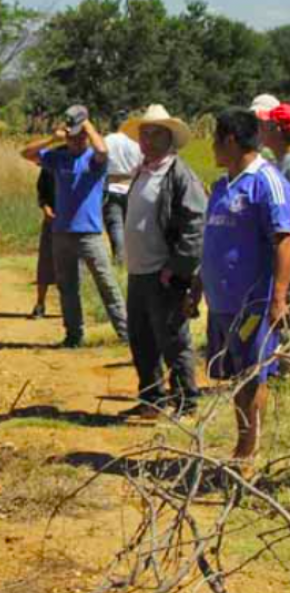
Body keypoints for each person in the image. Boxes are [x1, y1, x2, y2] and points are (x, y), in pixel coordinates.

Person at [188, 108, 290, 462]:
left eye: (215, 139)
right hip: (221, 302)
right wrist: (198, 287)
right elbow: (213, 241)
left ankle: (247, 451)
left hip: (253, 303)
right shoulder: (221, 185)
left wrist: (278, 298)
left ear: (230, 140)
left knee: (252, 375)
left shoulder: (267, 181)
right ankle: (242, 443)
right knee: (235, 377)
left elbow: (283, 241)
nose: (212, 147)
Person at [116, 105, 206, 419]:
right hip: (139, 271)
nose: (148, 140)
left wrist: (177, 268)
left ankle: (186, 403)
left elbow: (195, 225)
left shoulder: (179, 174)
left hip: (164, 274)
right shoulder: (142, 169)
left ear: (170, 138)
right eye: (145, 134)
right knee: (141, 338)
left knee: (173, 340)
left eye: (156, 134)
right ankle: (152, 400)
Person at [23, 105, 128, 348]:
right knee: (67, 288)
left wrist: (86, 124)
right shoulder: (58, 158)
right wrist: (52, 138)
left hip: (89, 234)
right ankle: (73, 335)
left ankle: (126, 334)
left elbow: (102, 149)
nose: (77, 139)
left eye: (81, 135)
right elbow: (26, 154)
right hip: (61, 232)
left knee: (107, 284)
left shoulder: (93, 160)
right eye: (73, 134)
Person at [103, 110, 142, 263]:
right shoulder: (136, 143)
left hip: (111, 186)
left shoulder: (106, 140)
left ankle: (119, 259)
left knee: (115, 224)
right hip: (132, 186)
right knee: (130, 225)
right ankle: (132, 258)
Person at [32, 165, 58, 318]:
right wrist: (46, 208)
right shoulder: (54, 159)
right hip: (53, 220)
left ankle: (71, 307)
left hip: (77, 224)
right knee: (45, 262)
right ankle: (40, 303)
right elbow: (42, 191)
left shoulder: (88, 158)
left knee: (75, 267)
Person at [261, 104, 290, 180]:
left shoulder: (288, 166)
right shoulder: (279, 161)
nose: (262, 129)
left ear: (278, 130)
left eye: (267, 125)